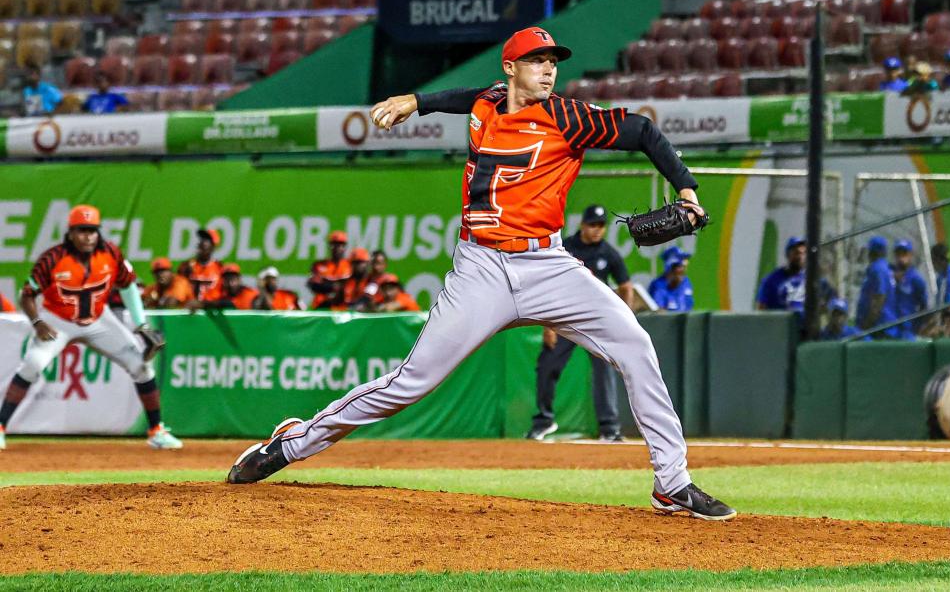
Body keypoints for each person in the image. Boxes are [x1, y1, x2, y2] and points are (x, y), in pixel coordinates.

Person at [227, 26, 735, 520]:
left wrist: (687, 190)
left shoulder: (570, 117)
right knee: (411, 383)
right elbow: (469, 95)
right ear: (511, 69)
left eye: (553, 63)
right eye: (538, 62)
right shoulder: (488, 101)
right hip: (481, 269)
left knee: (635, 345)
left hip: (548, 266)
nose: (548, 71)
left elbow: (643, 131)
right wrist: (417, 100)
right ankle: (290, 445)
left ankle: (671, 483)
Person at [0, 205, 181, 451]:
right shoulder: (53, 258)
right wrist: (37, 321)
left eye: (92, 230)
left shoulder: (111, 254)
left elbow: (127, 286)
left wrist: (141, 324)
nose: (88, 236)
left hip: (98, 319)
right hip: (58, 318)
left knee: (140, 365)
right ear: (71, 233)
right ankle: (0, 427)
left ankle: (156, 431)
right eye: (82, 230)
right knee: (32, 364)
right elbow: (27, 294)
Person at [526, 204, 633, 443]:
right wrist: (547, 324)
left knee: (604, 372)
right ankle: (543, 421)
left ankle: (609, 428)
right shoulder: (567, 248)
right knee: (547, 366)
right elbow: (548, 285)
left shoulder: (609, 253)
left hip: (596, 322)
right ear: (583, 224)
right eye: (592, 225)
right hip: (567, 318)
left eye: (601, 225)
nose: (596, 230)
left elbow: (626, 287)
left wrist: (622, 317)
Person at [856, 236, 899, 338]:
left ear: (872, 251)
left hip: (879, 327)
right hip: (882, 325)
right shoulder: (884, 267)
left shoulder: (877, 268)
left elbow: (879, 299)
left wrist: (867, 326)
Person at [756, 237, 807, 316]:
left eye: (803, 253)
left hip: (804, 326)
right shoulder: (771, 280)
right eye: (797, 252)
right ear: (788, 254)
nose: (800, 257)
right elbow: (761, 311)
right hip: (780, 326)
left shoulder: (808, 279)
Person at [892, 239, 927, 340]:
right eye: (898, 253)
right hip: (890, 327)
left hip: (907, 329)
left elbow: (924, 306)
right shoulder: (889, 274)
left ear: (910, 255)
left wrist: (917, 327)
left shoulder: (916, 279)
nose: (901, 257)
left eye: (904, 253)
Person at [308, 231, 351, 309]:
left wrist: (327, 283)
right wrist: (334, 287)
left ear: (345, 247)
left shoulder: (350, 266)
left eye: (340, 245)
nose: (337, 248)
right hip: (321, 307)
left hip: (342, 309)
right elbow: (313, 285)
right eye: (334, 244)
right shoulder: (319, 265)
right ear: (329, 246)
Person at [178, 228, 224, 301]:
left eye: (206, 240)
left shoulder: (219, 268)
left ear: (213, 247)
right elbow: (179, 289)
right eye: (201, 239)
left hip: (210, 309)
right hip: (189, 309)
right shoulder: (187, 266)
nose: (202, 242)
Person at [192, 264, 259, 310]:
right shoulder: (221, 296)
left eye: (233, 279)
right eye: (227, 280)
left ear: (239, 279)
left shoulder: (252, 295)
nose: (230, 284)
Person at [648, 246, 694, 312]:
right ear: (669, 268)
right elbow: (659, 313)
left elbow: (689, 308)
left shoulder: (686, 282)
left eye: (684, 266)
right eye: (679, 266)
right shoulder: (658, 286)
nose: (683, 270)